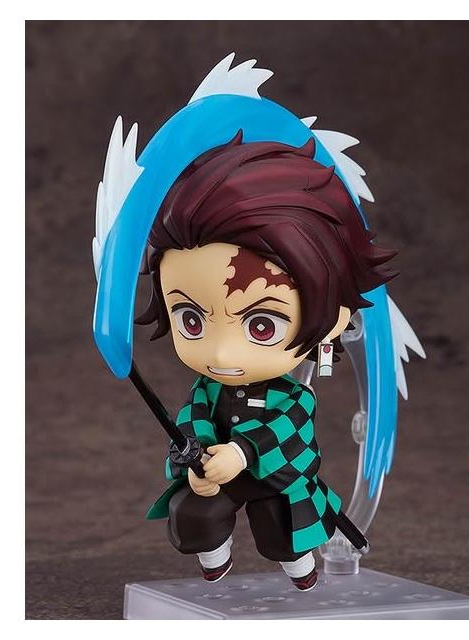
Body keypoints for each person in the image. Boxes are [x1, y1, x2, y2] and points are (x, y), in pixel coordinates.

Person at [139, 132, 396, 591]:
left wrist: (241, 453)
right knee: (195, 511)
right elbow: (192, 419)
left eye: (261, 325)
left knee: (283, 524)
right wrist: (194, 459)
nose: (221, 353)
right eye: (192, 320)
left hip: (275, 474)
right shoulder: (207, 390)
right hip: (219, 470)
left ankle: (301, 570)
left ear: (336, 317)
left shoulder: (294, 398)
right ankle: (214, 557)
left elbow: (287, 430)